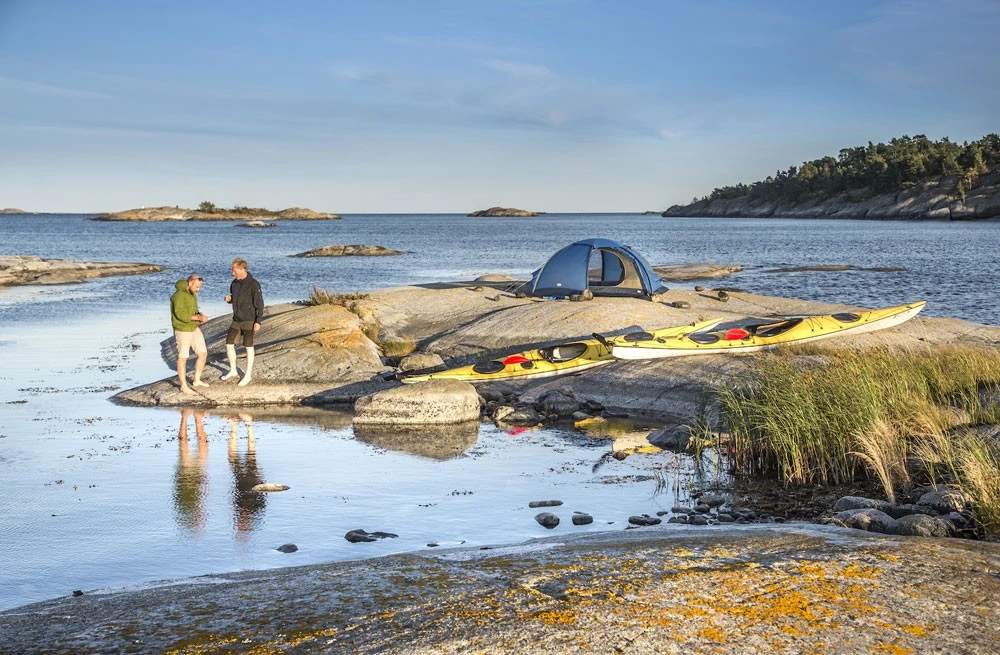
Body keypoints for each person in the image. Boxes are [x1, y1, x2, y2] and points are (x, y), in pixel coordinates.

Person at [221, 257, 264, 386]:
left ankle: (248, 375)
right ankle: (233, 370)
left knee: (248, 346)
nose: (232, 273)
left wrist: (258, 321)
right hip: (236, 319)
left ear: (241, 269)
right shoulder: (234, 283)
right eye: (232, 270)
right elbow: (238, 299)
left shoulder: (253, 284)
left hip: (249, 320)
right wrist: (230, 299)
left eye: (234, 270)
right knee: (229, 344)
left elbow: (259, 304)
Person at [170, 274, 210, 394]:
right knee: (183, 357)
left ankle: (196, 380)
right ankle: (183, 385)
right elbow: (180, 315)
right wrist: (197, 317)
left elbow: (193, 311)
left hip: (193, 328)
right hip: (182, 329)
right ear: (190, 283)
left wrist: (200, 315)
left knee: (203, 353)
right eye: (197, 286)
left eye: (199, 287)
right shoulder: (178, 296)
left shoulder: (192, 295)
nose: (198, 289)